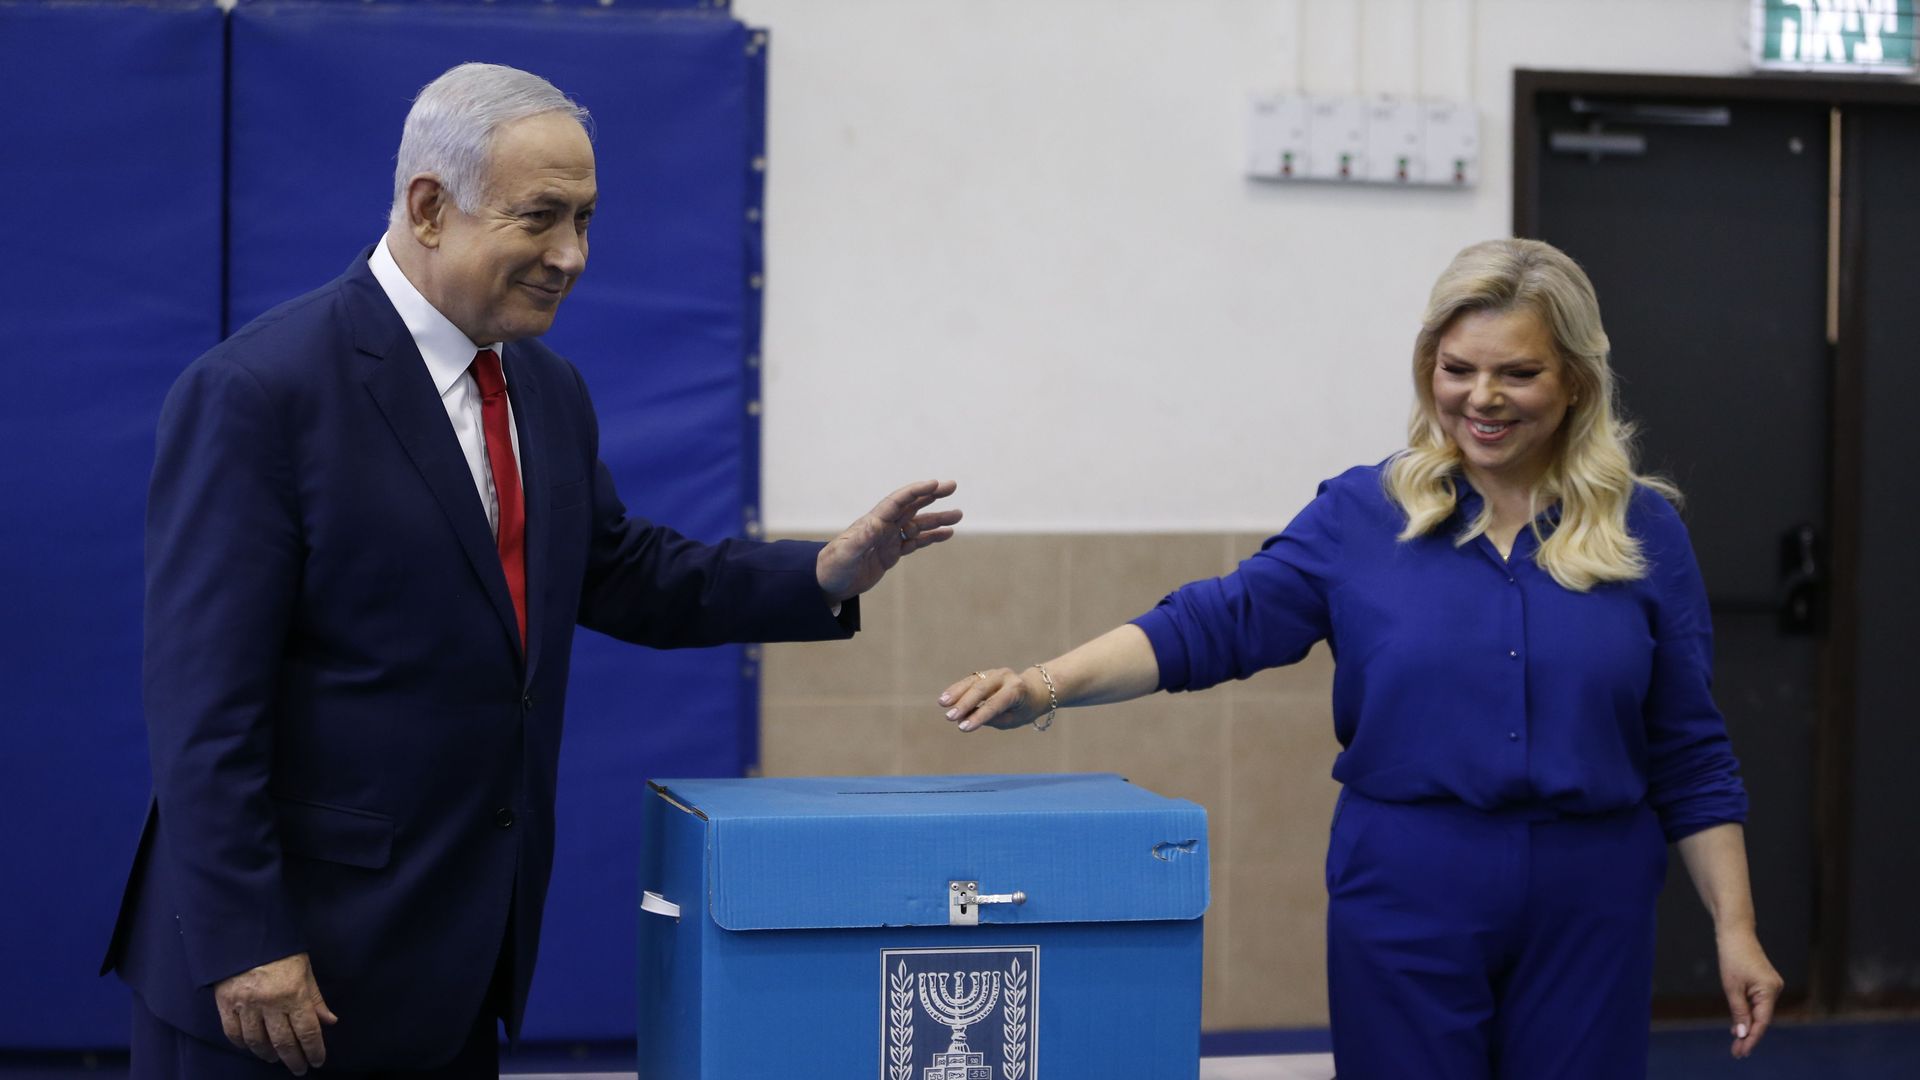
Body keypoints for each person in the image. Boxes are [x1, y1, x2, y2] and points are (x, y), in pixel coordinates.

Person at [100, 62, 960, 1079]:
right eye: (542, 218)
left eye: (587, 220)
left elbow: (621, 570)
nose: (572, 255)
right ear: (429, 207)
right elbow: (203, 709)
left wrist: (822, 573)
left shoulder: (546, 392)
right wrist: (249, 939)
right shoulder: (259, 394)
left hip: (456, 963)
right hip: (277, 985)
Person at [940, 238, 1783, 1079]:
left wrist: (1735, 929)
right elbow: (1211, 623)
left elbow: (1690, 752)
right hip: (1408, 889)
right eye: (1458, 369)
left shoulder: (1644, 533)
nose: (1482, 399)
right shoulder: (1361, 515)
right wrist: (1045, 684)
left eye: (1518, 374)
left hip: (1592, 904)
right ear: (1429, 370)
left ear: (1574, 382)